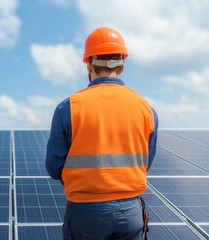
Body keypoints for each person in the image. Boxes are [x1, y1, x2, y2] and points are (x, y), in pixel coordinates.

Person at [45, 26, 158, 240]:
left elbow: (53, 167)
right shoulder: (146, 109)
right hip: (130, 211)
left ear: (88, 64)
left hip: (85, 214)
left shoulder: (68, 107)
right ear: (122, 65)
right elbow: (146, 162)